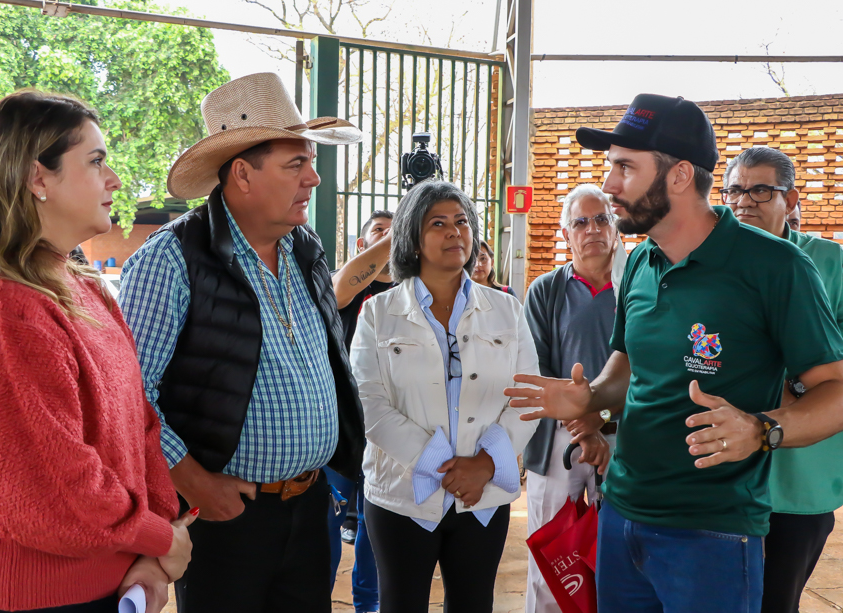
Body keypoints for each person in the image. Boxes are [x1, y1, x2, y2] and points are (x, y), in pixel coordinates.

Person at [506, 94, 843, 613]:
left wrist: (762, 429)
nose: (611, 184)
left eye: (624, 167)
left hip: (714, 532)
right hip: (621, 516)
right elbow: (625, 371)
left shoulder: (776, 267)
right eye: (610, 166)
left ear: (680, 175)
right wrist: (590, 398)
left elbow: (835, 389)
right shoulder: (640, 262)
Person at [0, 90, 193, 613]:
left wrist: (155, 545)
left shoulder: (82, 286)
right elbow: (50, 492)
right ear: (37, 178)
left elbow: (140, 426)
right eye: (95, 162)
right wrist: (161, 540)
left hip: (117, 581)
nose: (114, 180)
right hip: (38, 599)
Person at [118, 72, 365, 613]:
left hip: (311, 506)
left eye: (311, 162)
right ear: (242, 174)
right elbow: (128, 397)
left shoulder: (305, 248)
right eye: (296, 164)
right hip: (223, 520)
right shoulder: (172, 258)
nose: (314, 179)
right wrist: (197, 482)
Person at [350, 180, 540, 613]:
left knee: (474, 604)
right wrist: (443, 465)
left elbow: (527, 397)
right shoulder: (379, 313)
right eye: (438, 223)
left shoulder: (506, 308)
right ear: (412, 239)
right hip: (402, 494)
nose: (455, 232)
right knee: (401, 603)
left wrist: (486, 464)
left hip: (483, 494)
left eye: (462, 222)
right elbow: (370, 403)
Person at [723, 146, 843, 613]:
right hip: (725, 476)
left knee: (776, 601)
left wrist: (799, 379)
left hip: (799, 478)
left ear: (790, 199)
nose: (744, 202)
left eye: (759, 190)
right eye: (734, 190)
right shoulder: (717, 265)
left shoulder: (829, 264)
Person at [522, 183, 618, 613]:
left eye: (602, 219)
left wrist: (600, 418)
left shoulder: (638, 287)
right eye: (581, 221)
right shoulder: (545, 290)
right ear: (565, 234)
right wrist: (583, 425)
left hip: (625, 437)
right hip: (558, 440)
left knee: (615, 555)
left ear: (615, 229)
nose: (592, 229)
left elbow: (650, 364)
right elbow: (536, 367)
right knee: (551, 557)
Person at [326, 210, 395, 613]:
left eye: (393, 231)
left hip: (386, 432)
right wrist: (402, 229)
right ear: (361, 244)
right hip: (341, 428)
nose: (387, 238)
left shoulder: (410, 289)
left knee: (375, 525)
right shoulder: (346, 287)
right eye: (379, 232)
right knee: (329, 522)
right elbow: (340, 290)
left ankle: (367, 603)